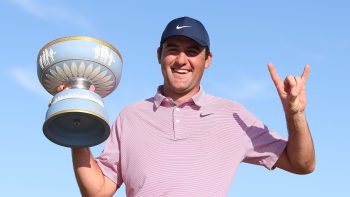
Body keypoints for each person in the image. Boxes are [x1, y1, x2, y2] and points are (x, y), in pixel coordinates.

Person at [71, 16, 315, 196]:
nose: (181, 60)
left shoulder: (232, 115)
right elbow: (98, 190)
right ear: (159, 55)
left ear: (207, 60)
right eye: (173, 50)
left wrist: (295, 114)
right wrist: (75, 120)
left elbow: (301, 163)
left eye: (192, 51)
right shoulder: (130, 117)